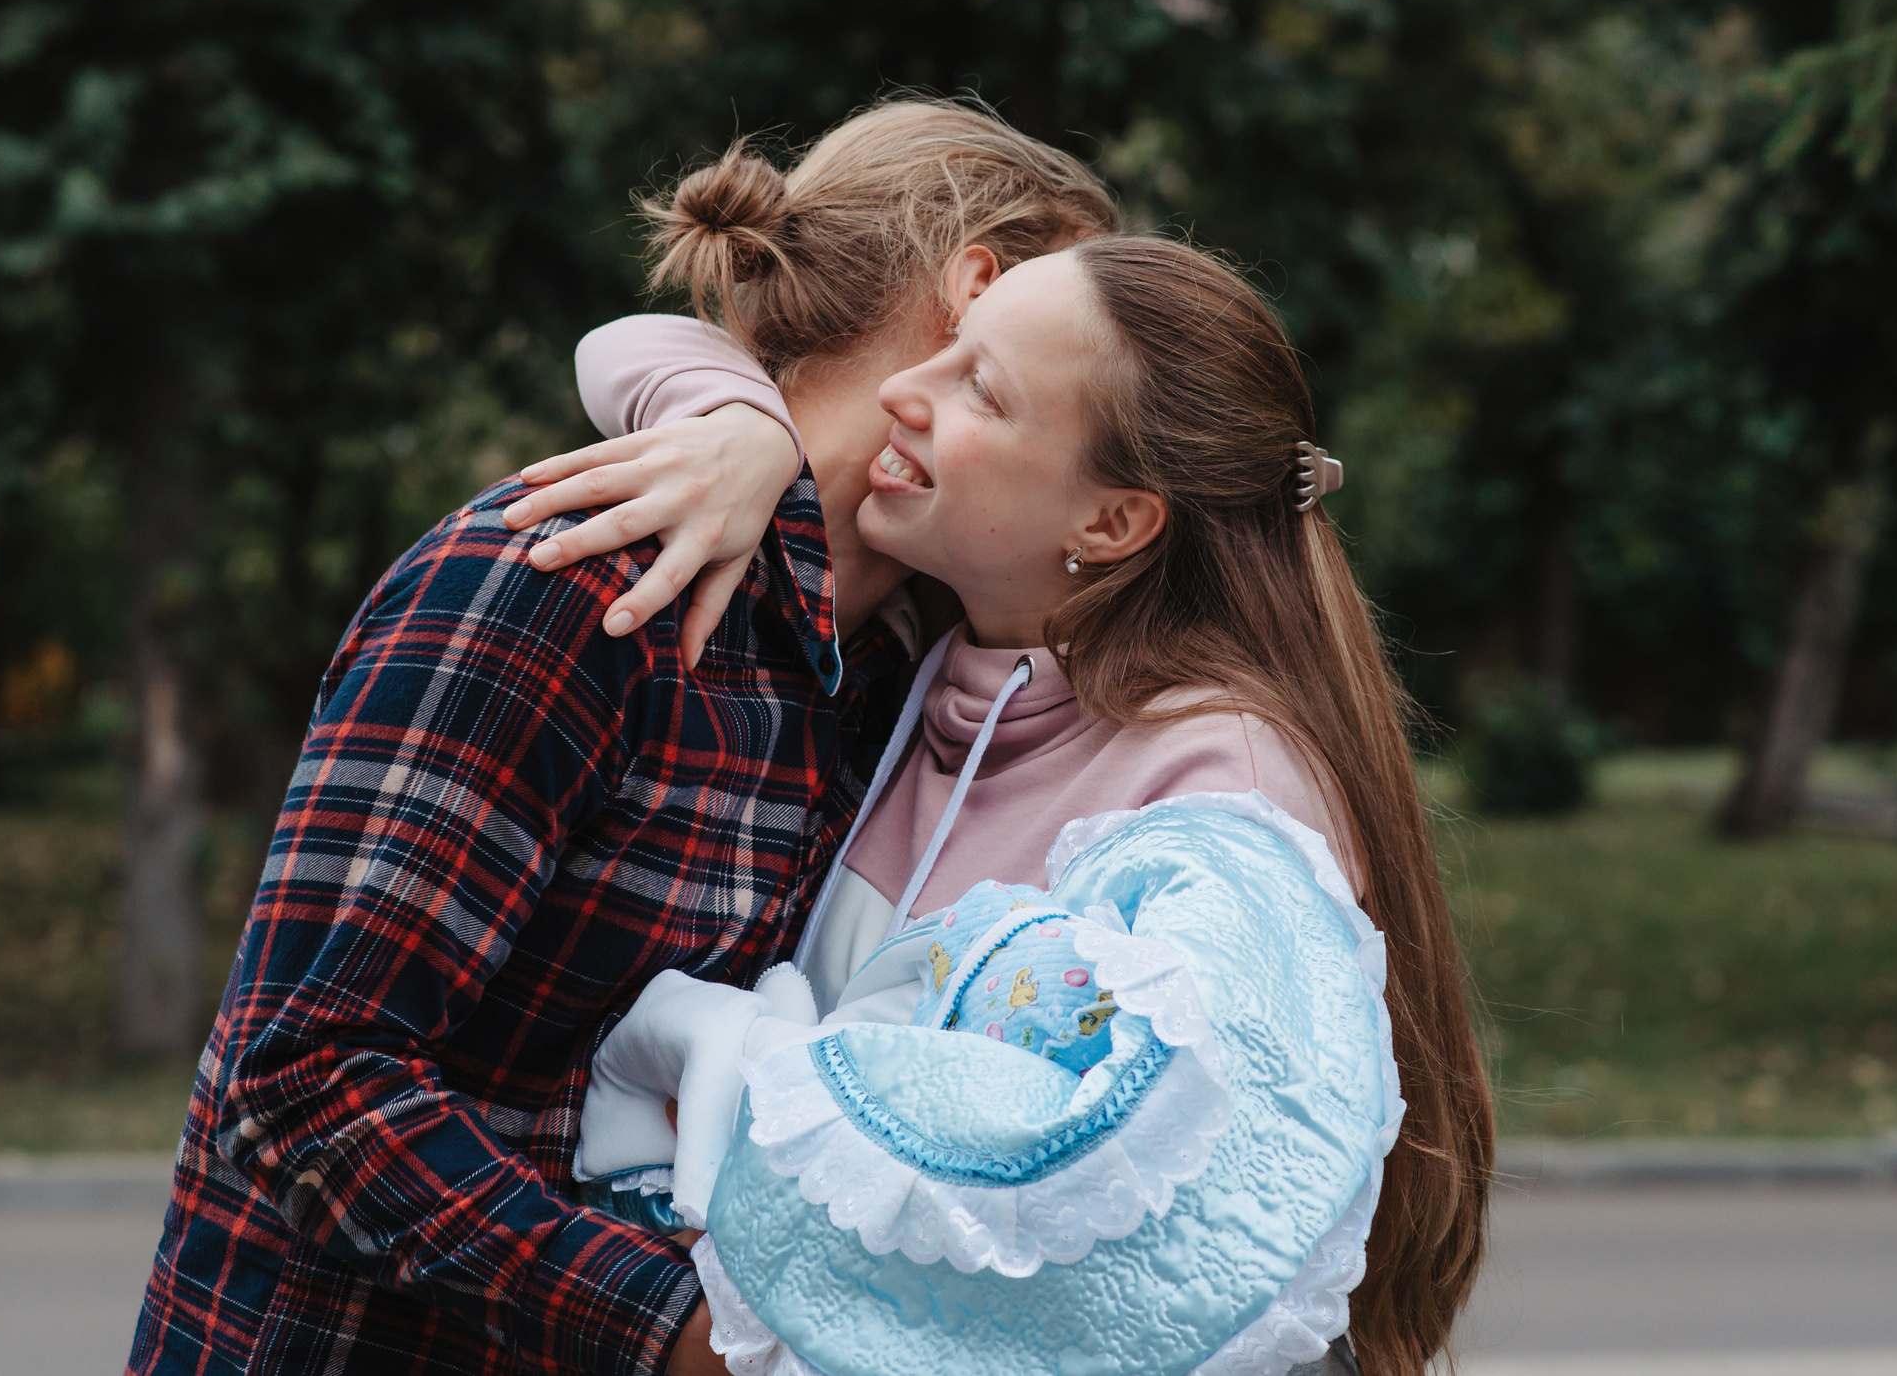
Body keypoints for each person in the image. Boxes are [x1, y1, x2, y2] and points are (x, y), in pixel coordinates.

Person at [123, 99, 1116, 1376]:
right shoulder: (564, 574)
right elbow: (305, 1070)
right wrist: (677, 1332)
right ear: (977, 295)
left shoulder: (910, 666)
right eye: (1085, 340)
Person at [518, 239, 1493, 1376]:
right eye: (944, 349)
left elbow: (1100, 1229)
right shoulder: (935, 637)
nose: (900, 393)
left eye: (977, 387)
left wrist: (754, 1093)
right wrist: (746, 434)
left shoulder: (1217, 787)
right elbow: (634, 344)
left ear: (1112, 523)